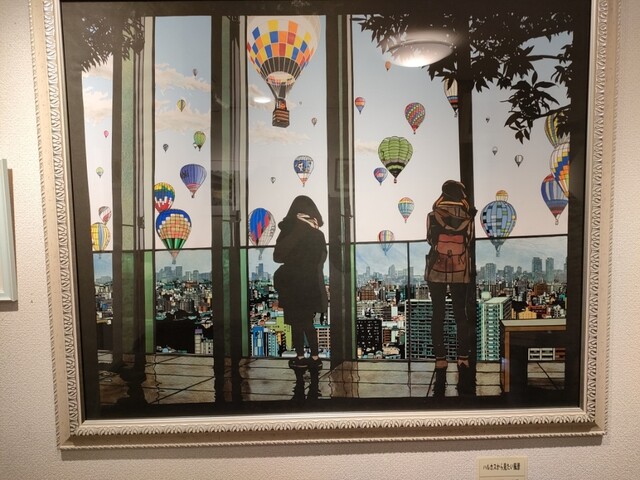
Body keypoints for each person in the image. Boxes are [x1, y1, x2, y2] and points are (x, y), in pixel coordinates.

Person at [425, 180, 476, 397]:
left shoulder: (432, 215)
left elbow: (430, 240)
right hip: (460, 269)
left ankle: (440, 359)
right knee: (460, 315)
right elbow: (469, 240)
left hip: (437, 268)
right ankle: (463, 358)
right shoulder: (468, 217)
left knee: (438, 314)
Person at [273, 195, 328, 371]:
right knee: (307, 323)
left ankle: (300, 357)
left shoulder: (289, 231)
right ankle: (315, 357)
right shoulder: (318, 234)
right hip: (309, 285)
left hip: (291, 285)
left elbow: (278, 256)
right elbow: (321, 260)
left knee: (296, 324)